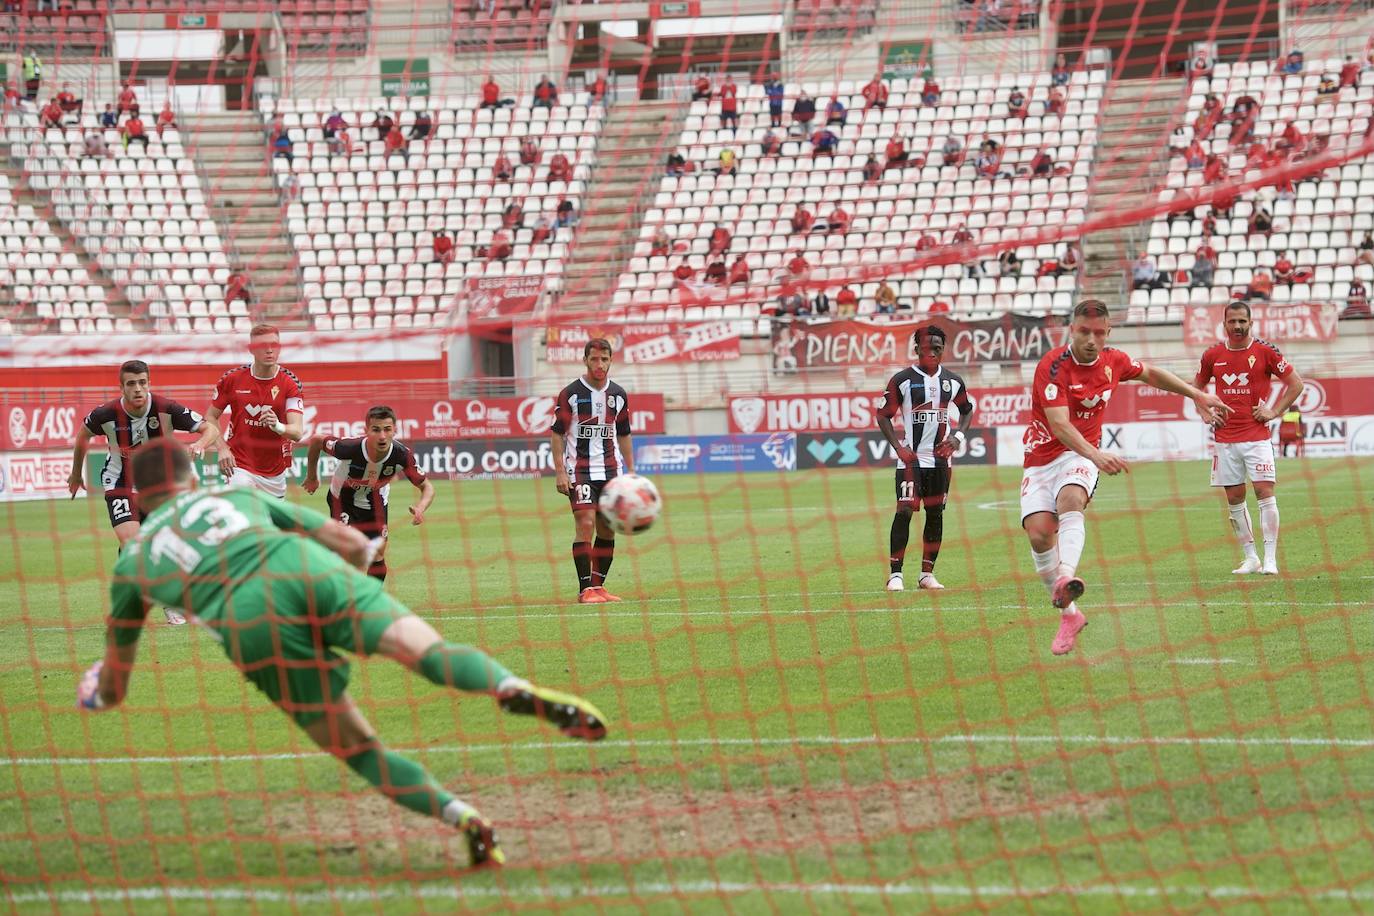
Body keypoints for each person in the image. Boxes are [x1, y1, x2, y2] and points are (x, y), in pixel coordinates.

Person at [76, 438, 608, 869]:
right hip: (308, 569)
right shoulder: (236, 497)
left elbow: (118, 683)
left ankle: (465, 818)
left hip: (250, 624)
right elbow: (348, 543)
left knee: (360, 750)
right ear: (191, 479)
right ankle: (509, 688)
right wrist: (355, 577)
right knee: (427, 652)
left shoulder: (134, 563)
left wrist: (97, 690)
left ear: (140, 498)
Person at [1020, 300, 1230, 655]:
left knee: (1071, 499)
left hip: (1078, 456)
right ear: (1072, 330)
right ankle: (1069, 615)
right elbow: (1059, 424)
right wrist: (1097, 454)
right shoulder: (1052, 366)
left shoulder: (1113, 361)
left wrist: (1196, 393)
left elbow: (1151, 374)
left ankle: (1066, 576)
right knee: (1040, 535)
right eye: (1084, 332)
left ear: (1108, 333)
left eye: (1099, 333)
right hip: (1042, 459)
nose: (1091, 339)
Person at [67, 361, 218, 623]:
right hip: (120, 482)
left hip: (158, 486)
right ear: (122, 386)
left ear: (149, 383)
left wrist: (200, 443)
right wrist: (75, 473)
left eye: (142, 382)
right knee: (134, 543)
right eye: (131, 384)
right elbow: (82, 436)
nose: (138, 389)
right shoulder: (105, 414)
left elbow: (211, 429)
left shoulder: (166, 409)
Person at [1195, 301, 1303, 576]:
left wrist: (1274, 411)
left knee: (1265, 493)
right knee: (1234, 497)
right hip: (1225, 439)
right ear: (1225, 324)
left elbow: (1296, 384)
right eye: (1232, 321)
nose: (1238, 326)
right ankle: (1250, 557)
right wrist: (1205, 412)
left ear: (1251, 323)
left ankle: (1270, 559)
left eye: (1243, 321)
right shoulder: (1212, 355)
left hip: (1257, 437)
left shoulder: (1265, 351)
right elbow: (1195, 388)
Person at [876, 326, 975, 592]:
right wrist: (898, 447)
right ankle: (895, 574)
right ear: (917, 349)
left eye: (937, 348)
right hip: (911, 460)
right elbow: (883, 414)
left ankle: (926, 575)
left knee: (935, 514)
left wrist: (957, 438)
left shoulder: (953, 381)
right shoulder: (902, 380)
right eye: (926, 348)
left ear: (943, 350)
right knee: (905, 510)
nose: (932, 353)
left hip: (941, 462)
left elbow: (967, 410)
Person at [303, 406, 434, 583]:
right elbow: (317, 440)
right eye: (376, 429)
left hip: (376, 503)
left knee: (378, 555)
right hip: (342, 499)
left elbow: (427, 487)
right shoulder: (349, 448)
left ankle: (369, 600)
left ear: (394, 430)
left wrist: (421, 508)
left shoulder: (402, 455)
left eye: (387, 429)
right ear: (366, 431)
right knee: (348, 551)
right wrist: (312, 477)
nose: (382, 436)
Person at [550, 339, 636, 604]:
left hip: (612, 471)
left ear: (611, 360)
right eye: (594, 359)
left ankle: (599, 588)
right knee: (585, 523)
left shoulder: (619, 395)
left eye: (604, 359)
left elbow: (624, 434)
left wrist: (631, 473)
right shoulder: (572, 393)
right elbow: (556, 433)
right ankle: (585, 589)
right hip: (581, 470)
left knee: (608, 529)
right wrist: (560, 471)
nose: (599, 364)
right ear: (585, 360)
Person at [204, 325, 305, 500]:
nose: (269, 350)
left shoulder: (290, 383)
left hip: (274, 471)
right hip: (239, 464)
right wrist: (222, 448)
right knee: (242, 515)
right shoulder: (232, 379)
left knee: (270, 526)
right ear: (251, 349)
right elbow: (211, 416)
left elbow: (297, 433)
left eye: (274, 345)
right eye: (262, 345)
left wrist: (277, 426)